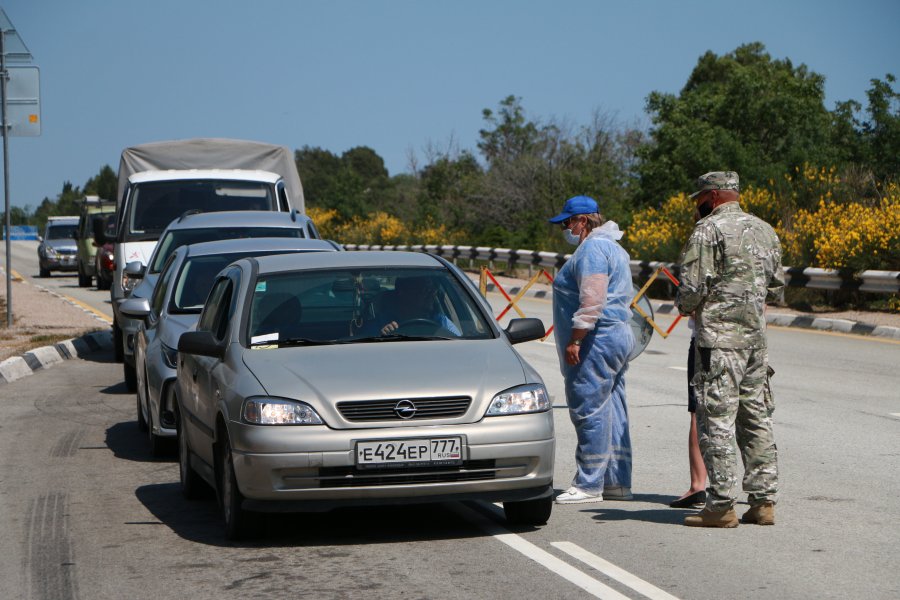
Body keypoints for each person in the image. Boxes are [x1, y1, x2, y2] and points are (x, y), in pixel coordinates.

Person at [675, 171, 784, 527]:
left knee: (717, 420)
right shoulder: (766, 230)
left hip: (719, 343)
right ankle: (763, 501)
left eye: (701, 199)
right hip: (755, 342)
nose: (698, 206)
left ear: (715, 195)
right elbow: (776, 289)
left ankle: (721, 506)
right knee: (756, 419)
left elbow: (691, 287)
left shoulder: (708, 230)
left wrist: (687, 304)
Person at [548, 195, 635, 504]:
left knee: (589, 408)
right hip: (618, 335)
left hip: (596, 339)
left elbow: (592, 300)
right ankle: (616, 481)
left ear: (582, 221)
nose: (565, 229)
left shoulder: (593, 249)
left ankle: (588, 484)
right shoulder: (615, 247)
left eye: (567, 223)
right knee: (613, 408)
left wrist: (575, 339)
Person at [670, 210, 708, 509]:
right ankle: (760, 492)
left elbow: (688, 299)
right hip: (748, 341)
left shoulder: (703, 237)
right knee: (747, 413)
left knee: (700, 411)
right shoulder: (755, 233)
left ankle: (699, 486)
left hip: (708, 340)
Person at [366, 275, 461, 337]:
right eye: (424, 290)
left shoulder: (442, 322)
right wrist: (381, 337)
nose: (431, 294)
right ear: (403, 293)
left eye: (433, 290)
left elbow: (459, 345)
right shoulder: (379, 323)